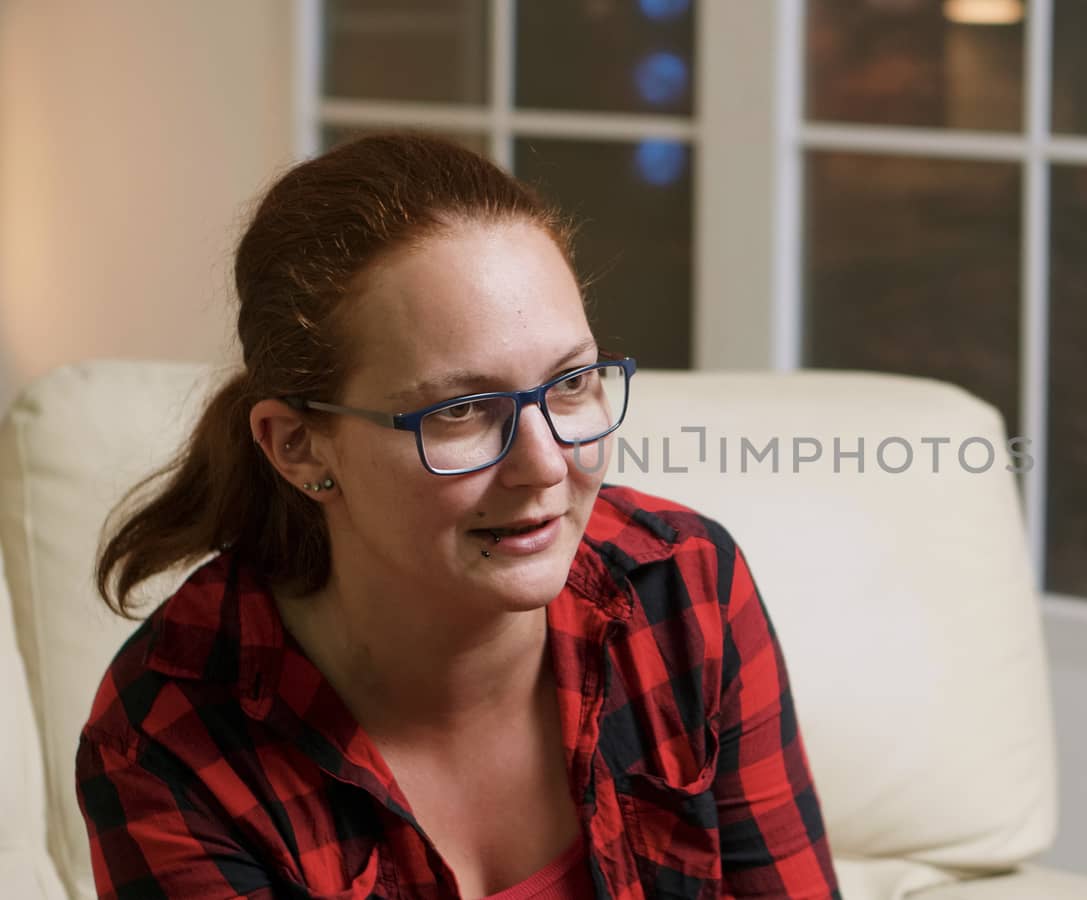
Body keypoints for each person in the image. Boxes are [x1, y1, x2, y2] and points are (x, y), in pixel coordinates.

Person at [77, 134, 840, 900]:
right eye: (465, 410)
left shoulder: (686, 591)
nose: (544, 464)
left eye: (571, 383)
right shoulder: (164, 742)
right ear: (301, 447)